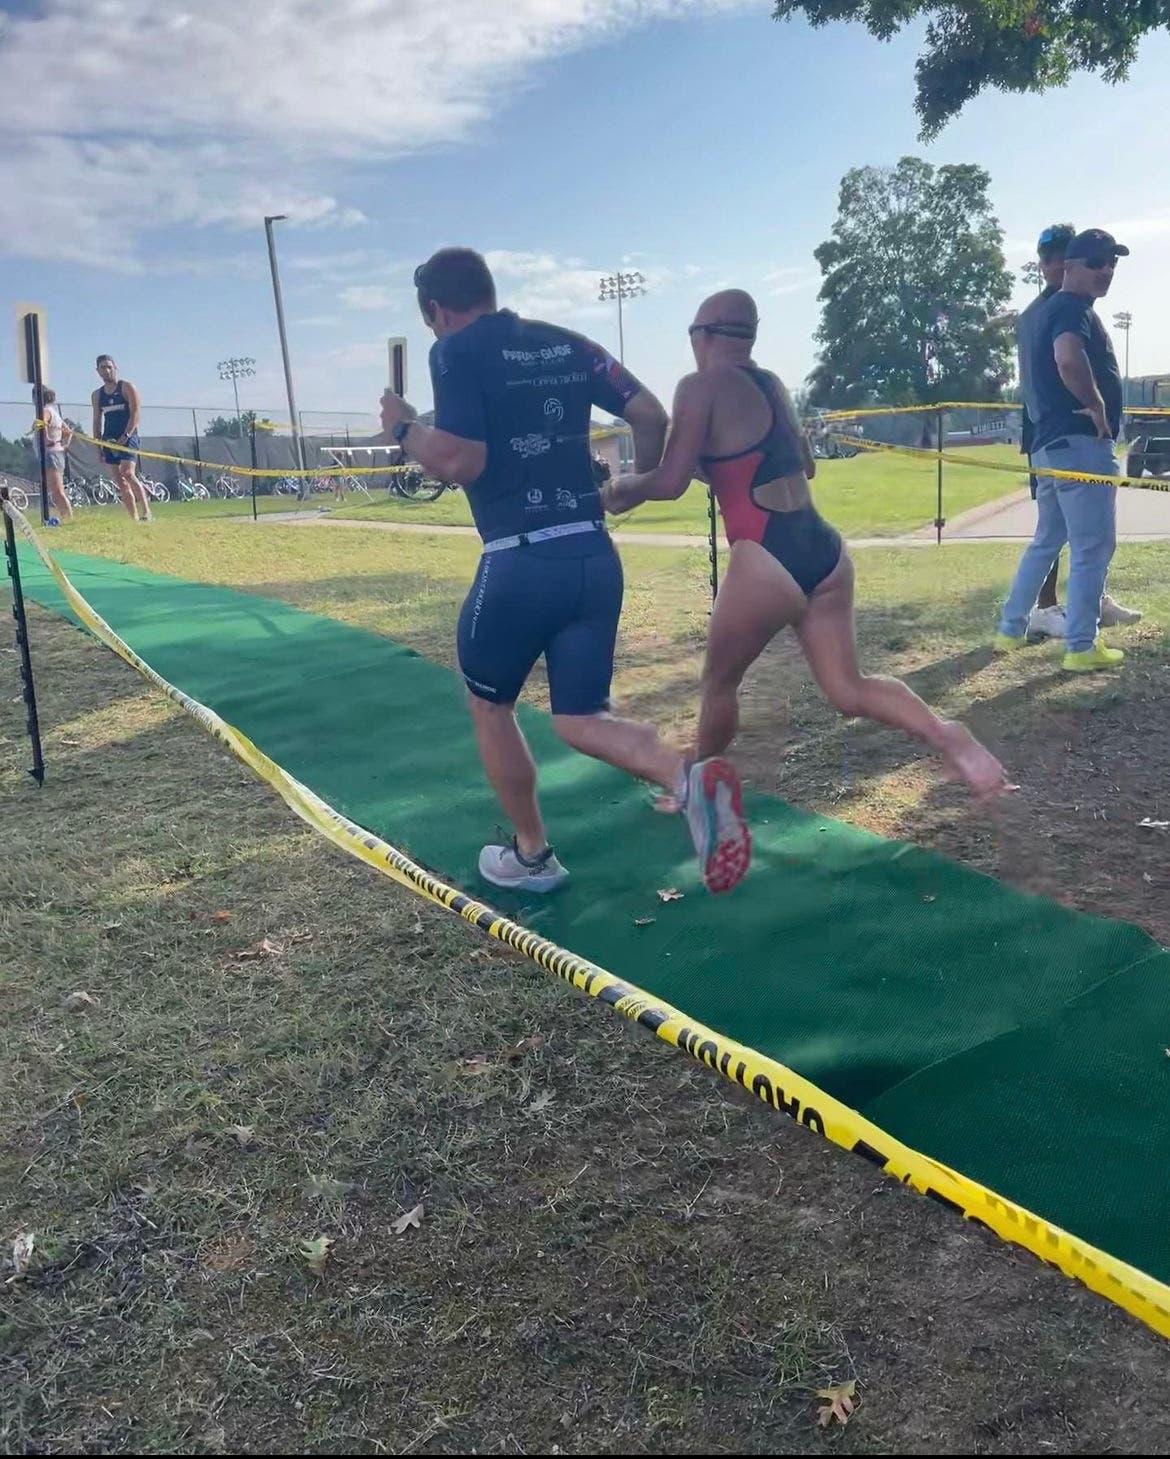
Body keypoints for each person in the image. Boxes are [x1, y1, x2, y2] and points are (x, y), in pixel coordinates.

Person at [378, 247, 751, 895]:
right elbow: (648, 414)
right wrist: (640, 483)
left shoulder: (454, 351)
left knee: (489, 703)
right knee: (580, 719)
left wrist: (404, 427)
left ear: (437, 310)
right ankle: (687, 778)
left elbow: (461, 461)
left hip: (520, 560)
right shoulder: (568, 343)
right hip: (593, 557)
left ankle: (532, 858)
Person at [601, 290, 1010, 799]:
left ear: (701, 337)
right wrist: (712, 469)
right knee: (850, 688)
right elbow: (801, 466)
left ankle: (693, 783)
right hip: (824, 551)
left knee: (719, 683)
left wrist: (617, 490)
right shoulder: (772, 384)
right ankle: (948, 735)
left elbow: (668, 482)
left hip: (766, 555)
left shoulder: (698, 386)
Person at [996, 229, 1132, 672]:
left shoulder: (1041, 313)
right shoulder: (1071, 308)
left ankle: (1010, 629)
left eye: (1112, 262)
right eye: (1096, 262)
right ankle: (1081, 646)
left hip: (1048, 445)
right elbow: (1068, 358)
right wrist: (1096, 405)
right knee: (1094, 546)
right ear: (1070, 266)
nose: (1105, 270)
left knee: (1048, 540)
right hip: (1079, 444)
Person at [92, 355, 152, 522]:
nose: (106, 370)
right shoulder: (97, 395)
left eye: (109, 367)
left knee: (128, 473)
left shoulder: (126, 387)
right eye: (103, 368)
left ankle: (147, 511)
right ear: (98, 371)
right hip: (109, 439)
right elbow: (96, 422)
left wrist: (126, 436)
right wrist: (98, 447)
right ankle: (134, 519)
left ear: (115, 368)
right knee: (119, 479)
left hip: (128, 436)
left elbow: (135, 414)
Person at [32, 385, 74, 523]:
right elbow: (68, 431)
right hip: (54, 454)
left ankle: (68, 519)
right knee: (55, 491)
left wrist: (48, 439)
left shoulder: (45, 411)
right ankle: (66, 517)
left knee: (57, 492)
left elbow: (42, 424)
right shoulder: (53, 412)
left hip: (50, 454)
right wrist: (64, 445)